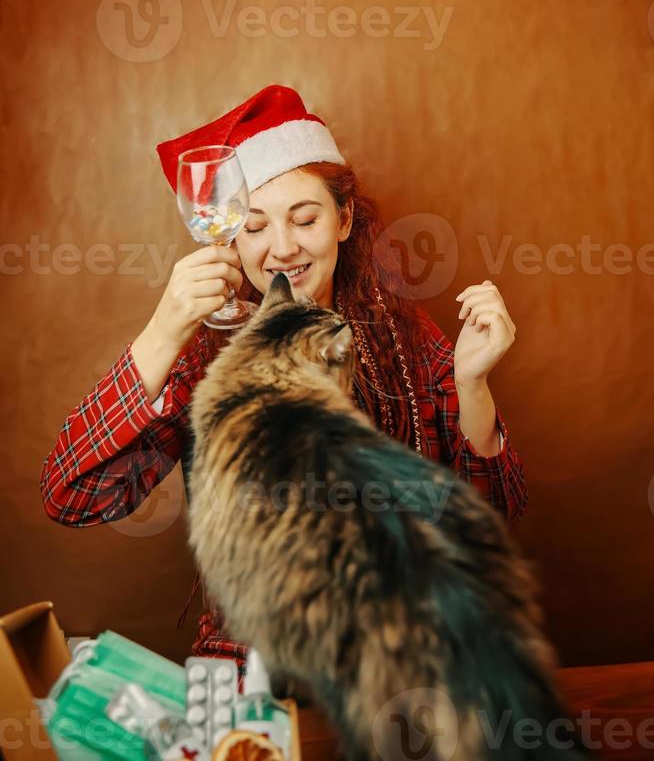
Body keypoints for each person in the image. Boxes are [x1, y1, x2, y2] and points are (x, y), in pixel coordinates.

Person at [40, 84, 527, 668]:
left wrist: (472, 383)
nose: (282, 248)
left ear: (343, 220)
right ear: (229, 235)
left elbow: (494, 513)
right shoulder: (206, 353)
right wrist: (164, 331)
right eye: (255, 226)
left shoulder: (399, 332)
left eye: (305, 219)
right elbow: (73, 496)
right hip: (255, 659)